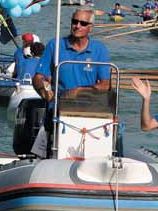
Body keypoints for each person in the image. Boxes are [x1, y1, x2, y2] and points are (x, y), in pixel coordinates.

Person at [31, 8, 111, 157]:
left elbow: (105, 84)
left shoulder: (100, 50)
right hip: (57, 110)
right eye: (75, 21)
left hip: (89, 112)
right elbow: (39, 77)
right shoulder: (55, 45)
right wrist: (45, 90)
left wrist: (79, 91)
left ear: (90, 27)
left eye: (83, 23)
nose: (77, 25)